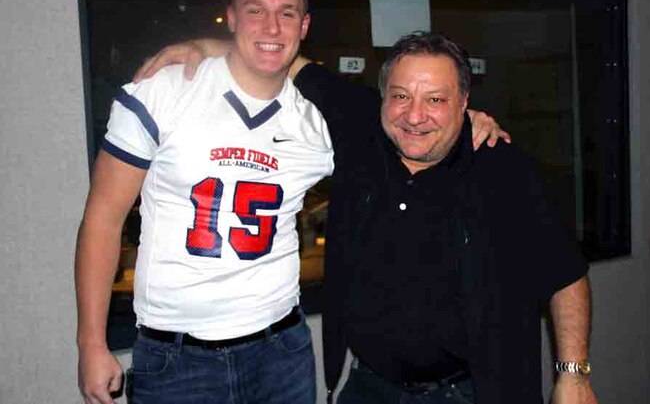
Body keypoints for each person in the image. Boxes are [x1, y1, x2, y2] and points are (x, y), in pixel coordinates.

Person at [75, 0, 504, 404]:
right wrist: (91, 343)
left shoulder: (316, 122)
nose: (271, 27)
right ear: (232, 17)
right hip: (177, 357)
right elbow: (103, 220)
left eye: (286, 13)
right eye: (255, 10)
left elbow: (407, 126)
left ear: (304, 26)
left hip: (280, 351)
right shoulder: (163, 92)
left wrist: (464, 120)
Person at [142, 32, 597, 404]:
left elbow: (565, 274)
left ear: (464, 102)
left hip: (471, 393)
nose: (414, 116)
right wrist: (204, 47)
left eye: (436, 99)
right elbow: (280, 56)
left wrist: (573, 376)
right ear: (381, 97)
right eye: (400, 96)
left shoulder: (501, 166)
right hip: (369, 389)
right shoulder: (359, 130)